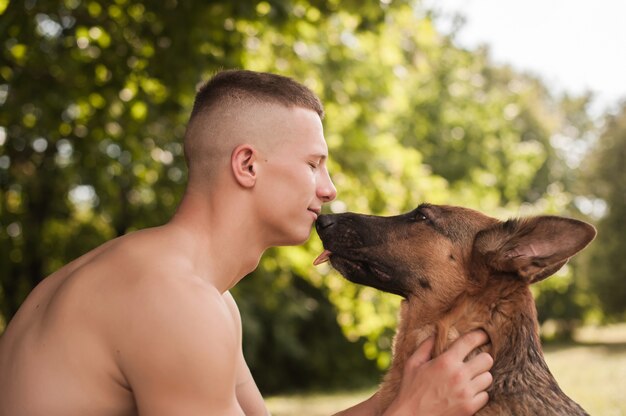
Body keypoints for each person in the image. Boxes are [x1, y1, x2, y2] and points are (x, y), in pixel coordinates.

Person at [0, 69, 493, 415]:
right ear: (248, 165)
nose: (329, 188)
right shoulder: (173, 300)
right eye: (313, 164)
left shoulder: (202, 296)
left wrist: (400, 396)